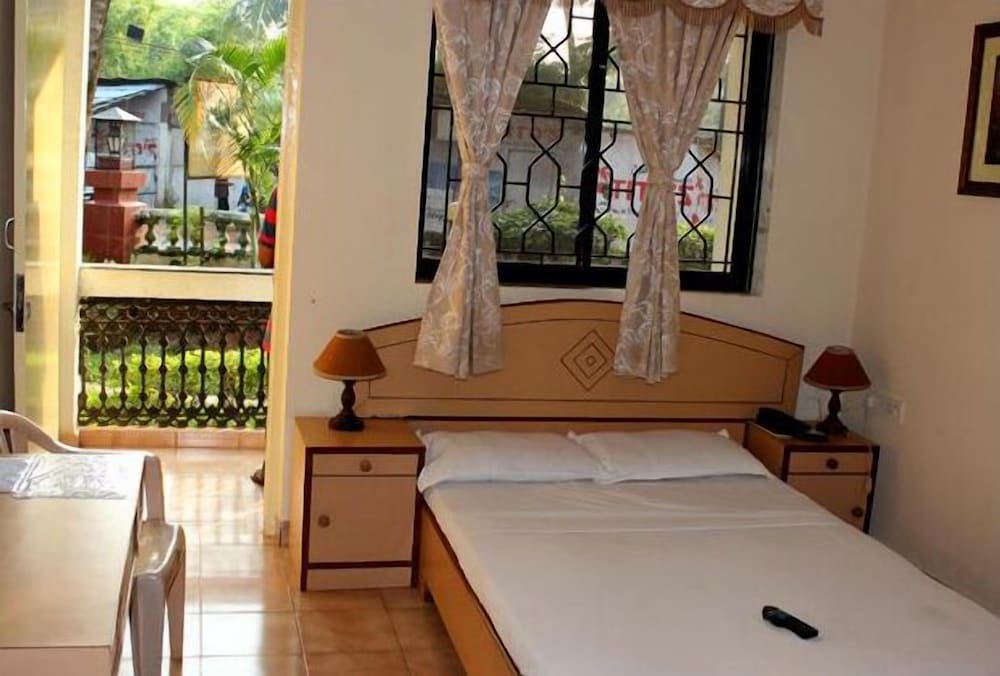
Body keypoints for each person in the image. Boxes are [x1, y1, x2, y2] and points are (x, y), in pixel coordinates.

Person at [250, 186, 278, 487]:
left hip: (287, 316)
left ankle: (273, 467)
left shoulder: (283, 192)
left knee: (280, 397)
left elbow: (265, 256)